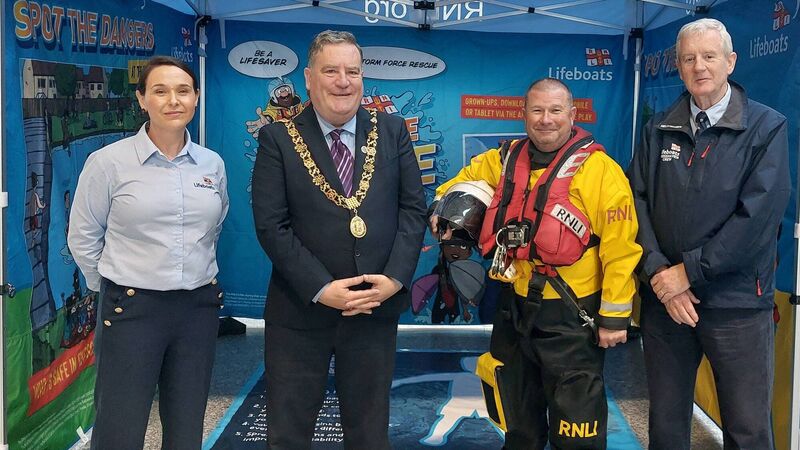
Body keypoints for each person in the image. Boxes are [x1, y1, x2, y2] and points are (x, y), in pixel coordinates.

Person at [432, 78, 641, 449]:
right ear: (524, 114)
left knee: (577, 434)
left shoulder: (601, 171)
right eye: (537, 110)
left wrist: (613, 318)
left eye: (556, 110)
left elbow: (621, 248)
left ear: (572, 114)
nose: (546, 120)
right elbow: (458, 185)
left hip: (573, 315)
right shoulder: (503, 161)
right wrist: (442, 209)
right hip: (514, 310)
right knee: (519, 429)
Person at [251, 30, 426, 449]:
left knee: (368, 433)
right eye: (331, 71)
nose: (343, 81)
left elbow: (413, 210)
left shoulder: (393, 130)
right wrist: (320, 288)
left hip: (373, 306)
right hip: (300, 311)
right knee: (288, 433)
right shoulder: (278, 138)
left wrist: (396, 279)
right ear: (309, 78)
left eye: (352, 71)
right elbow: (271, 226)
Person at [628, 18, 790, 450]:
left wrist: (690, 273)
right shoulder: (657, 127)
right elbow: (635, 204)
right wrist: (661, 275)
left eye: (709, 56)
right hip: (665, 303)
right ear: (678, 67)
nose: (699, 66)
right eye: (688, 58)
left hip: (735, 303)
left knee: (747, 428)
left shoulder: (766, 127)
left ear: (730, 62)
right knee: (665, 424)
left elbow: (757, 218)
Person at [68, 55, 229, 450]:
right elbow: (83, 236)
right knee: (119, 428)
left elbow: (216, 224)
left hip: (197, 310)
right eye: (160, 91)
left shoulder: (212, 164)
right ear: (142, 100)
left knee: (187, 425)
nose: (172, 100)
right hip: (132, 310)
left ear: (195, 98)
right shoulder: (108, 163)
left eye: (183, 91)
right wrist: (111, 285)